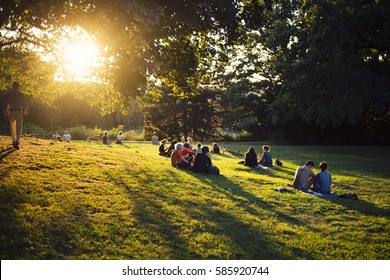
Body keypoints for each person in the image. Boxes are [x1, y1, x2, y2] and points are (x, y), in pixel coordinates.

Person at [3, 82, 29, 149]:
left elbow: (5, 103)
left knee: (12, 127)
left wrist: (5, 111)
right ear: (18, 87)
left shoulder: (9, 94)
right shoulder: (20, 94)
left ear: (12, 86)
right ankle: (17, 141)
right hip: (19, 111)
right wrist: (25, 110)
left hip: (11, 111)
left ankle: (14, 140)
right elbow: (24, 102)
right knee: (19, 127)